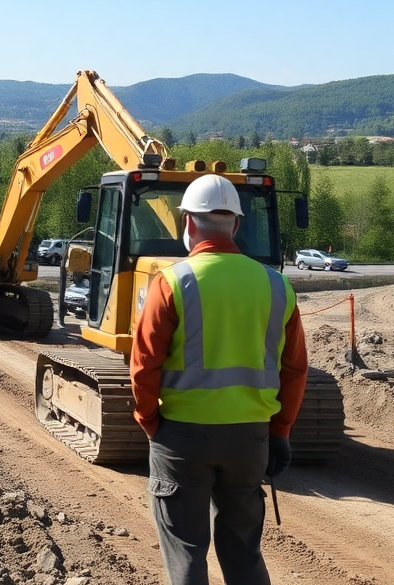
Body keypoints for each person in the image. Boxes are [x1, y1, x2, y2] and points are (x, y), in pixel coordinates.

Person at [130, 174, 309, 585]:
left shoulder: (172, 282)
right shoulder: (276, 285)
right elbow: (295, 368)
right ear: (238, 225)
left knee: (186, 551)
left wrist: (150, 422)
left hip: (182, 437)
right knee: (244, 551)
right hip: (250, 441)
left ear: (187, 223)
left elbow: (144, 366)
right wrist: (280, 431)